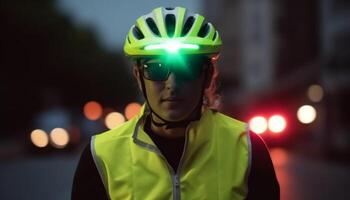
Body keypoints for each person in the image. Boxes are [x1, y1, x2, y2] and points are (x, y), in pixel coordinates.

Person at [72, 7, 279, 200]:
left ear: (207, 77)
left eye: (186, 69)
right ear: (138, 76)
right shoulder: (100, 155)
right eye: (157, 68)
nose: (172, 84)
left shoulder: (247, 148)